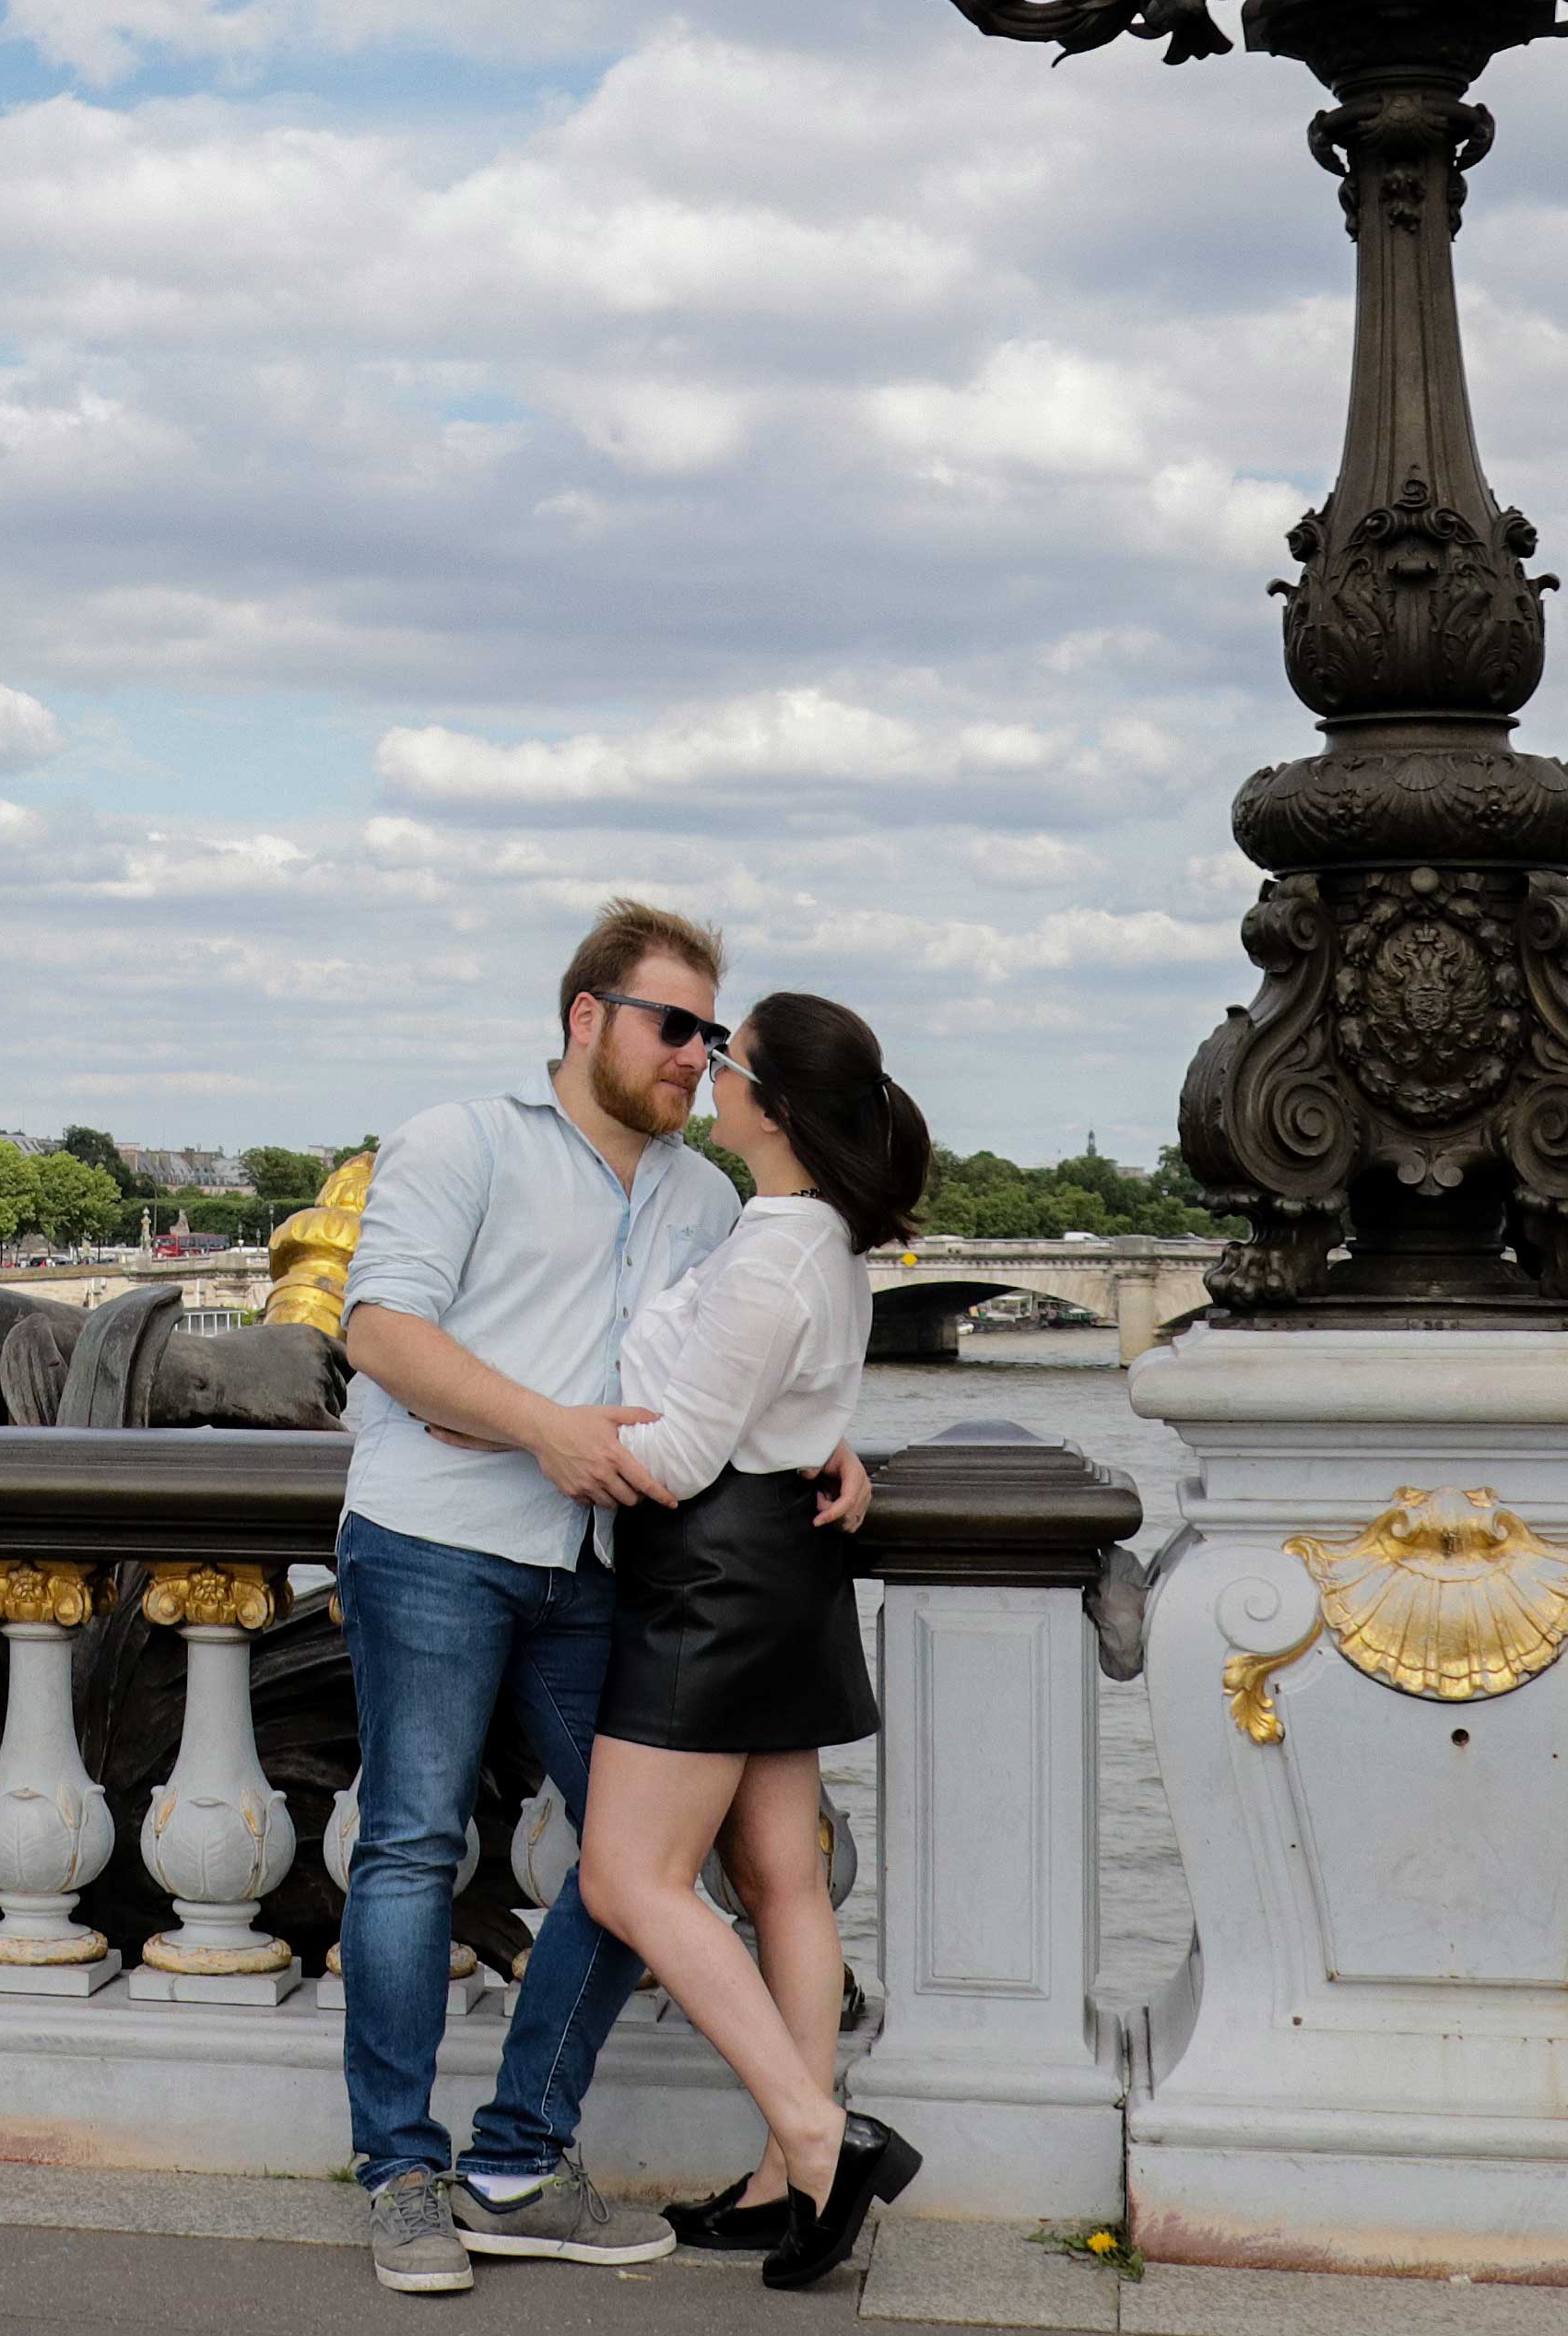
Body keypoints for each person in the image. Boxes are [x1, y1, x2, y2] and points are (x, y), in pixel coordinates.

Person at [333, 900, 750, 2296]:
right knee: (411, 1848)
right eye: (675, 1025)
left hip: (598, 1564)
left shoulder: (705, 1199)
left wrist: (826, 1443)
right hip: (433, 1539)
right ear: (587, 1017)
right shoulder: (462, 1140)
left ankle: (514, 2159)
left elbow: (724, 1373)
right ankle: (399, 2173)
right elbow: (380, 1331)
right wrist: (541, 1429)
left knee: (639, 1861)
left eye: (712, 1036)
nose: (696, 1056)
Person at [570, 992, 934, 2293]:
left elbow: (674, 1458)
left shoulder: (774, 1254)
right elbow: (778, 1406)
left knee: (628, 1877)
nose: (708, 1072)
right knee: (782, 1876)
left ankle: (820, 2137)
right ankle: (789, 2179)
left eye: (728, 1059)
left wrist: (515, 1424)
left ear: (770, 1107)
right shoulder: (811, 1238)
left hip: (709, 1576)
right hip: (780, 1563)